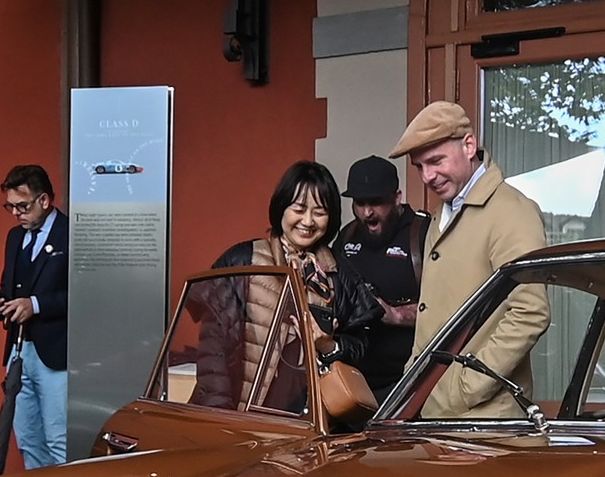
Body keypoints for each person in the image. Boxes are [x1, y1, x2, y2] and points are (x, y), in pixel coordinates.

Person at [392, 101, 548, 420]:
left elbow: (531, 312)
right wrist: (413, 383)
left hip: (484, 421)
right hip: (434, 412)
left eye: (435, 161)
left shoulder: (512, 211)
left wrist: (464, 388)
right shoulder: (442, 214)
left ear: (468, 145)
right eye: (419, 166)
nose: (427, 176)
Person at [195, 161, 380, 417]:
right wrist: (220, 417)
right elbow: (213, 350)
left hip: (310, 420)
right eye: (299, 209)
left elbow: (361, 346)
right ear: (282, 207)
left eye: (319, 212)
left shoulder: (339, 272)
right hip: (243, 414)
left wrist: (328, 345)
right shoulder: (243, 261)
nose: (308, 221)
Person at [0, 166, 70, 468]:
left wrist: (35, 305)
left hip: (57, 353)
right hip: (18, 350)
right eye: (10, 206)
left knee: (58, 438)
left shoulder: (71, 234)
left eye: (22, 206)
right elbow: (8, 287)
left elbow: (87, 296)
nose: (15, 213)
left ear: (44, 200)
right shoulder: (15, 238)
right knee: (27, 438)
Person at [336, 154, 429, 403]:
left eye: (377, 202)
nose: (367, 212)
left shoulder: (423, 234)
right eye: (360, 203)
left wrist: (395, 314)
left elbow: (451, 310)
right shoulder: (346, 237)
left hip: (408, 386)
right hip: (350, 385)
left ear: (397, 197)